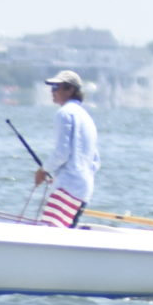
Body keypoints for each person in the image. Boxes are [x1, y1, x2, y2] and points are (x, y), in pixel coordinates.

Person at [33, 70, 100, 227]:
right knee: (64, 235)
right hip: (84, 189)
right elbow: (95, 161)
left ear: (70, 90)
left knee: (51, 236)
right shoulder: (86, 116)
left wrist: (43, 170)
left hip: (67, 188)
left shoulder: (64, 113)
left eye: (56, 87)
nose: (52, 91)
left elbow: (62, 153)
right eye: (52, 87)